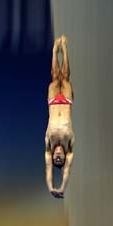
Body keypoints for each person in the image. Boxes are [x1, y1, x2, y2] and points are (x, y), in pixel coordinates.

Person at [45, 35, 75, 199]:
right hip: (66, 103)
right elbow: (67, 170)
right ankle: (64, 47)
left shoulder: (48, 148)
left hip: (53, 102)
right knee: (65, 77)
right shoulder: (69, 149)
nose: (57, 157)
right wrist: (62, 187)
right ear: (64, 157)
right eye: (59, 160)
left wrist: (51, 187)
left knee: (55, 77)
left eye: (55, 159)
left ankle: (54, 50)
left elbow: (48, 169)